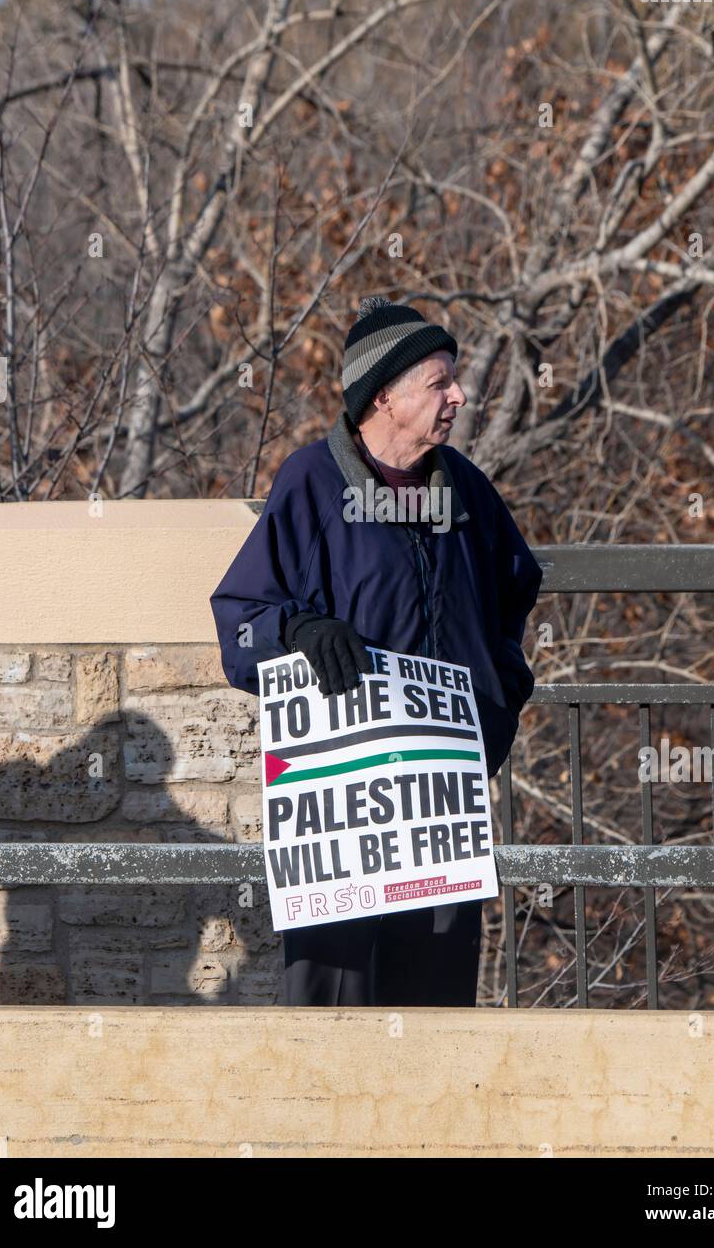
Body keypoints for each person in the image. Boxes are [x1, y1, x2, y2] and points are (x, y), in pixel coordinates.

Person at [210, 295, 542, 1006]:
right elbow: (241, 622)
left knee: (434, 1021)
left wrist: (498, 696)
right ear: (384, 396)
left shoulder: (467, 491)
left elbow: (516, 588)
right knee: (335, 1015)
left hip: (442, 805)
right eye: (439, 382)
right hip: (342, 818)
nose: (459, 395)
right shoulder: (313, 482)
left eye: (454, 381)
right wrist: (297, 630)